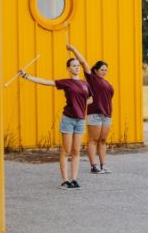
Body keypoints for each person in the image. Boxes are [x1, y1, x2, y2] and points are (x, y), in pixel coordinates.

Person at [17, 53, 92, 189]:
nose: (77, 68)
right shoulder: (66, 82)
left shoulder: (85, 84)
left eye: (78, 66)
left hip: (80, 120)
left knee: (76, 151)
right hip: (68, 119)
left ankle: (74, 180)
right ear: (68, 69)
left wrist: (81, 106)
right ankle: (65, 181)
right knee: (66, 150)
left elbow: (90, 98)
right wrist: (26, 76)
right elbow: (46, 82)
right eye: (73, 66)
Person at [67, 44, 114, 174]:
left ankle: (103, 165)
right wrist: (72, 49)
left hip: (107, 114)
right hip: (95, 114)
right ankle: (94, 166)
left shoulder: (107, 83)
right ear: (96, 70)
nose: (105, 72)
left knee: (103, 140)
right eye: (102, 69)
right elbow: (82, 62)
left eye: (106, 70)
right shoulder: (92, 79)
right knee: (93, 140)